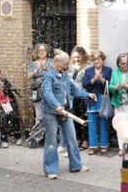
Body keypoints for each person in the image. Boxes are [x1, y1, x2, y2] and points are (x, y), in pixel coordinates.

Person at [42, 51, 97, 179]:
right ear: (56, 62)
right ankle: (50, 169)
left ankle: (76, 165)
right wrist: (56, 105)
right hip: (51, 113)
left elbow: (74, 90)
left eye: (67, 64)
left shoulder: (65, 76)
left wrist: (87, 95)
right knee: (51, 141)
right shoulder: (48, 76)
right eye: (64, 64)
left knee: (72, 138)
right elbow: (47, 93)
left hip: (66, 112)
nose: (67, 66)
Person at [82, 50, 112, 155]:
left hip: (103, 99)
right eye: (94, 60)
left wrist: (103, 80)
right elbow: (85, 85)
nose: (96, 61)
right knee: (92, 122)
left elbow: (110, 86)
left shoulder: (108, 70)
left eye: (98, 59)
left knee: (103, 122)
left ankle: (104, 145)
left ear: (102, 60)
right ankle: (92, 146)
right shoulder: (88, 71)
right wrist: (93, 80)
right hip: (92, 99)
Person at [109, 53, 128, 156]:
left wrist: (127, 88)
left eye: (124, 63)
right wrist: (116, 88)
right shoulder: (115, 72)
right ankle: (122, 147)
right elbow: (110, 86)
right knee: (119, 125)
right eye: (120, 64)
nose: (122, 66)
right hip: (118, 103)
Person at [0, 67, 21, 148]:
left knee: (14, 115)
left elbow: (9, 92)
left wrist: (4, 89)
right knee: (2, 117)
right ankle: (4, 139)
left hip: (7, 102)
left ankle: (17, 136)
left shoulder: (4, 81)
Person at [27, 43, 53, 126]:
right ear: (37, 52)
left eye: (44, 50)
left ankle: (49, 134)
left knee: (50, 115)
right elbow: (28, 76)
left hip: (50, 92)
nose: (42, 52)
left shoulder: (51, 61)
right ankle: (39, 136)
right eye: (40, 50)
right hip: (37, 92)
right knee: (39, 116)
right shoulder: (33, 64)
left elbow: (55, 73)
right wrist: (36, 70)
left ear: (47, 51)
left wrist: (46, 68)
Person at [69, 46, 89, 150]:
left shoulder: (87, 67)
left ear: (83, 56)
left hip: (84, 95)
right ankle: (78, 138)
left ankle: (86, 139)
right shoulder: (71, 67)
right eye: (75, 57)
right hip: (73, 97)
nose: (77, 59)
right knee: (75, 118)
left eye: (79, 57)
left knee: (84, 118)